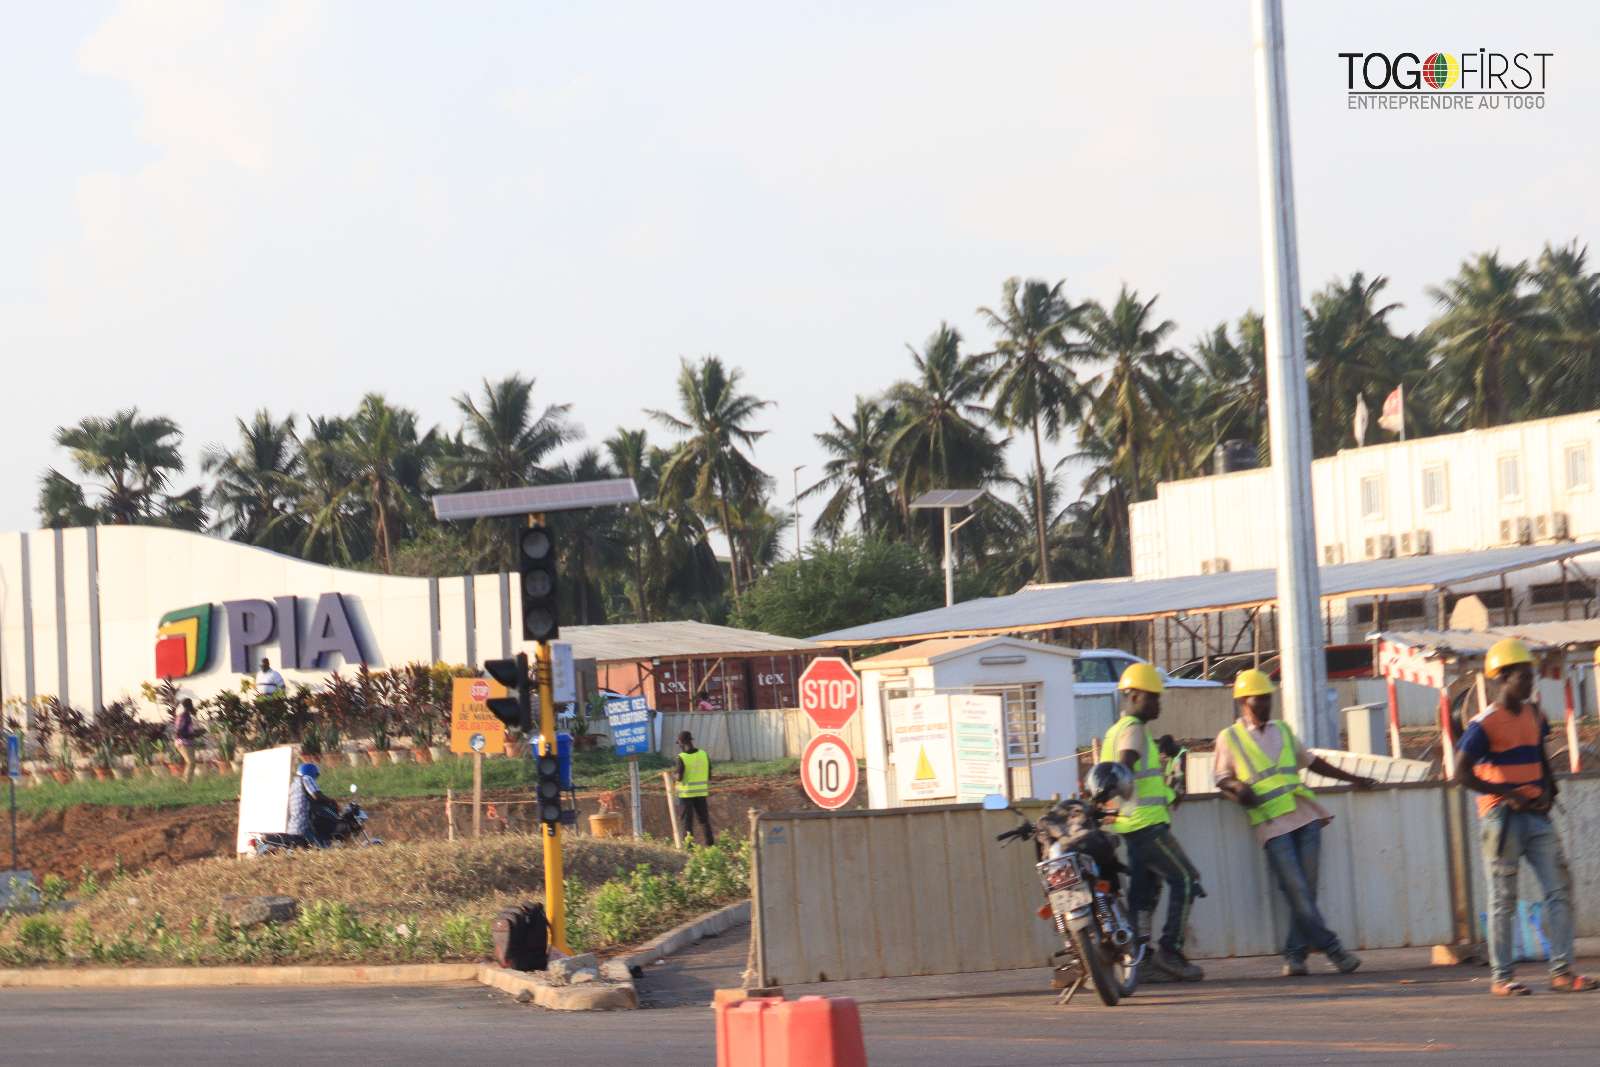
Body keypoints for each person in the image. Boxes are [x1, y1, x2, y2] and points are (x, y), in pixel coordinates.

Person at [1454, 638, 1596, 997]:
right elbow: (1461, 773)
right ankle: (1502, 977)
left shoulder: (1535, 714)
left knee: (1558, 889)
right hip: (1501, 819)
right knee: (1503, 898)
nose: (1530, 682)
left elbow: (1541, 755)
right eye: (1522, 676)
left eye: (1531, 675)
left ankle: (1561, 972)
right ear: (1502, 678)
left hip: (1537, 816)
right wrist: (1508, 794)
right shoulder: (1483, 724)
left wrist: (1550, 790)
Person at [1214, 669, 1374, 977]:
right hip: (1271, 823)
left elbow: (1312, 762)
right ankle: (1334, 950)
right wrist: (1239, 791)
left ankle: (1295, 954)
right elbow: (1222, 779)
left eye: (1267, 698)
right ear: (1242, 702)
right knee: (1297, 890)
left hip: (1305, 816)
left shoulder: (1283, 731)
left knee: (1306, 890)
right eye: (1257, 699)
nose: (1264, 704)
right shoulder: (1229, 738)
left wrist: (1355, 778)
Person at [1102, 663, 1205, 983]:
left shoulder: (1117, 731)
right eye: (1153, 697)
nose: (1159, 704)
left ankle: (1140, 960)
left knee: (1143, 896)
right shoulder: (1132, 729)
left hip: (1131, 827)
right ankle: (1170, 952)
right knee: (1186, 879)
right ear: (1133, 696)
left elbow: (1151, 784)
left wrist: (1174, 758)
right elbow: (1124, 766)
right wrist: (1123, 774)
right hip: (1146, 827)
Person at [674, 730, 714, 846]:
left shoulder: (681, 757)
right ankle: (710, 847)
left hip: (686, 794)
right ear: (691, 741)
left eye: (679, 744)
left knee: (687, 823)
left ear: (682, 742)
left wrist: (673, 775)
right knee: (704, 821)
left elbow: (679, 777)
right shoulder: (703, 754)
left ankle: (689, 848)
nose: (679, 746)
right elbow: (709, 775)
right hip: (701, 793)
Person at [286, 762, 331, 848]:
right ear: (312, 772)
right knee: (322, 847)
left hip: (293, 827)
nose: (315, 778)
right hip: (303, 825)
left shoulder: (293, 785)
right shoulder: (306, 778)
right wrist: (330, 800)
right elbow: (316, 795)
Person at [172, 697, 199, 783]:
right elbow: (178, 733)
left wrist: (196, 733)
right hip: (183, 742)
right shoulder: (183, 716)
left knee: (192, 763)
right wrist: (193, 734)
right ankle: (186, 782)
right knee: (191, 762)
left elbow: (187, 730)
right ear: (187, 706)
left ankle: (187, 782)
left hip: (189, 741)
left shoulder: (187, 716)